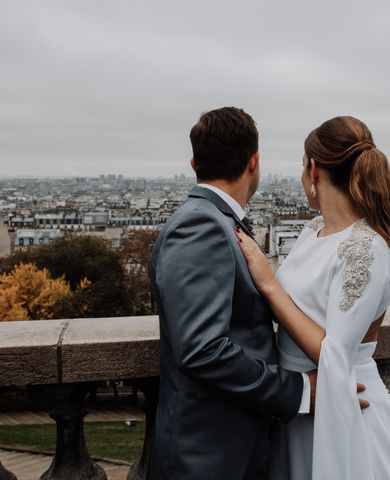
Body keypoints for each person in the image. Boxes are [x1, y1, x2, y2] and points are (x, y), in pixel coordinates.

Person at [235, 115, 390, 479]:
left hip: (342, 401)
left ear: (313, 170)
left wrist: (269, 284)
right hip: (301, 402)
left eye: (302, 166)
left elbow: (335, 353)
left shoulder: (367, 248)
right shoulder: (313, 230)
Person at [149, 107, 327, 479]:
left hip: (224, 445)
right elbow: (202, 349)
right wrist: (294, 390)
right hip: (209, 453)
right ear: (254, 162)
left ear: (195, 162)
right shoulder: (201, 226)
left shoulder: (211, 220)